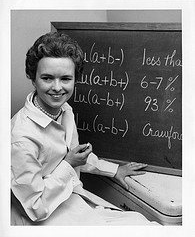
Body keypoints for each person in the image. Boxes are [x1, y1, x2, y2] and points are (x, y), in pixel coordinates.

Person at [11, 32, 159, 226]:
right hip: (39, 217)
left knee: (143, 223)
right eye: (47, 78)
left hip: (70, 200)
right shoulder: (20, 137)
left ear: (76, 79)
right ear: (33, 78)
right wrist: (68, 164)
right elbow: (35, 207)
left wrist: (115, 170)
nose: (57, 87)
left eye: (65, 79)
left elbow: (74, 155)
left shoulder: (64, 110)